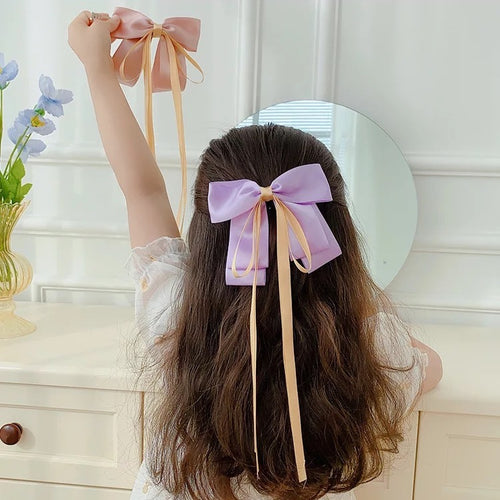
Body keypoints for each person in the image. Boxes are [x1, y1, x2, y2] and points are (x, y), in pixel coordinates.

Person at [68, 10, 443, 500]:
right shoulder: (373, 354)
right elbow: (430, 366)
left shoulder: (175, 317)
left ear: (209, 234)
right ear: (338, 233)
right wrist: (349, 295)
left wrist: (97, 68)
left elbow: (143, 191)